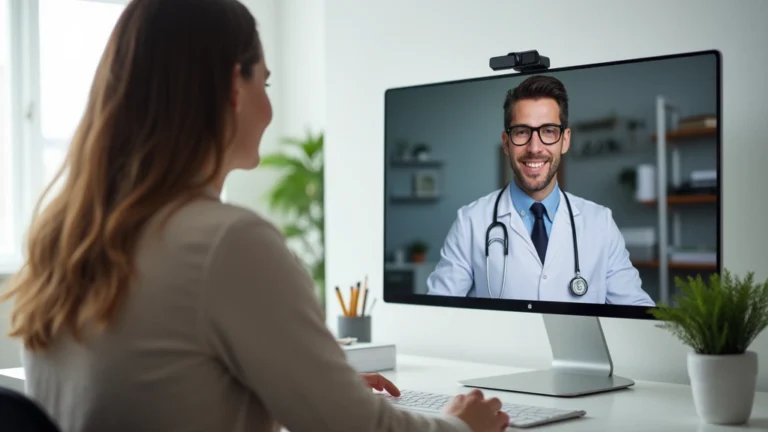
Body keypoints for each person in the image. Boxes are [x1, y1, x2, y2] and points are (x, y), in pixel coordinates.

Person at [0, 1, 510, 431]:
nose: (268, 108)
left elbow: (164, 389)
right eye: (264, 83)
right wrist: (464, 425)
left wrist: (310, 388)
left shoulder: (65, 239)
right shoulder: (226, 242)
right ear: (233, 87)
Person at [426, 75, 654, 306]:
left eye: (548, 131)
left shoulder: (600, 223)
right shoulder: (470, 223)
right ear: (506, 142)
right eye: (522, 132)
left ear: (565, 140)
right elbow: (437, 312)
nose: (534, 148)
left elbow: (637, 311)